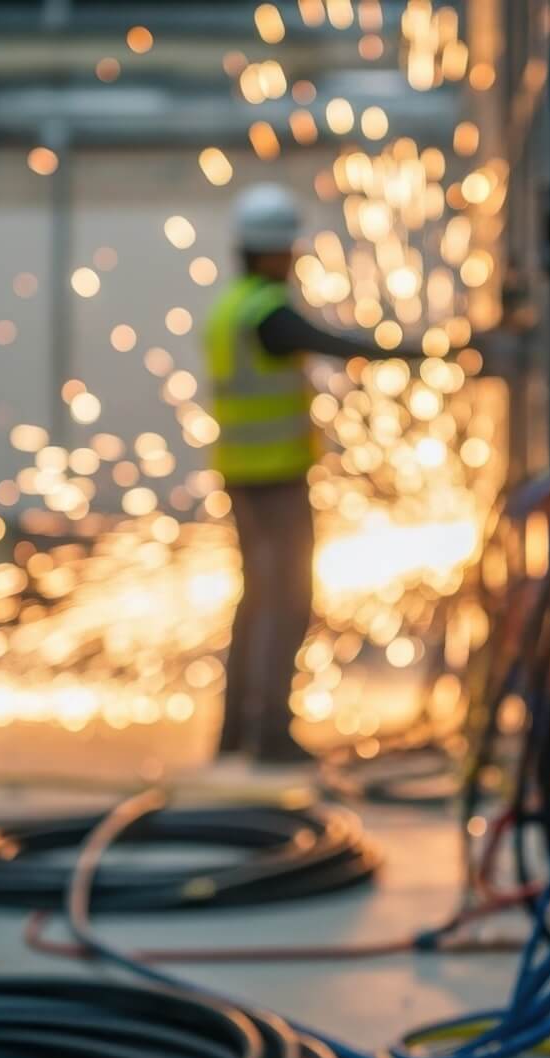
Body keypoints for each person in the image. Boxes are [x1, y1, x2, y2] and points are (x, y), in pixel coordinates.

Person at [204, 183, 409, 764]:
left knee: (255, 600)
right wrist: (430, 353)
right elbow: (336, 344)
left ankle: (234, 735)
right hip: (274, 479)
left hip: (241, 474)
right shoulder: (267, 313)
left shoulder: (229, 308)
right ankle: (270, 734)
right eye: (289, 249)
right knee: (287, 601)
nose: (294, 258)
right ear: (271, 253)